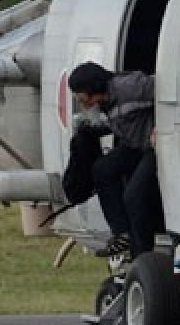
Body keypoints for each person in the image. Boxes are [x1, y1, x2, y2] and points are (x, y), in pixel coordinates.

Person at [67, 61, 164, 258]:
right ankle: (122, 233)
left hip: (154, 147)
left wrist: (161, 125)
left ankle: (142, 256)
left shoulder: (132, 87)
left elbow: (168, 91)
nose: (78, 99)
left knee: (134, 196)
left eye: (79, 93)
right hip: (133, 144)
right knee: (102, 170)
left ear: (91, 90)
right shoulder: (104, 102)